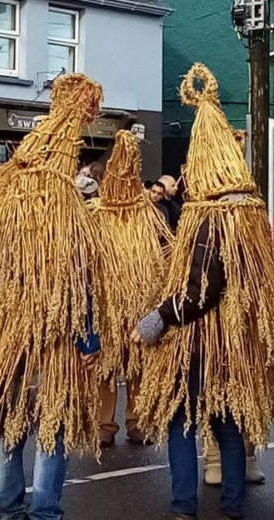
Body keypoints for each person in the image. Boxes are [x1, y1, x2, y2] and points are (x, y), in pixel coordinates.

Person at [132, 64, 274, 520]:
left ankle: (184, 505)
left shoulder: (210, 218)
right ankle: (235, 505)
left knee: (182, 419)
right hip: (236, 338)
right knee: (228, 422)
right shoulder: (248, 214)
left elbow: (202, 288)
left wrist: (160, 317)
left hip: (202, 337)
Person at [0, 75, 109, 520]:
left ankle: (9, 507)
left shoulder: (1, 214)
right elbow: (80, 284)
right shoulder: (70, 216)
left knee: (7, 416)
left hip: (5, 330)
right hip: (53, 334)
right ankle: (45, 511)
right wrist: (88, 339)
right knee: (53, 419)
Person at [91, 131, 173, 448]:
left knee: (139, 362)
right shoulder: (96, 214)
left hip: (142, 298)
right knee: (108, 364)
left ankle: (137, 421)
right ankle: (104, 423)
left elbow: (165, 248)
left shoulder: (147, 214)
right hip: (108, 301)